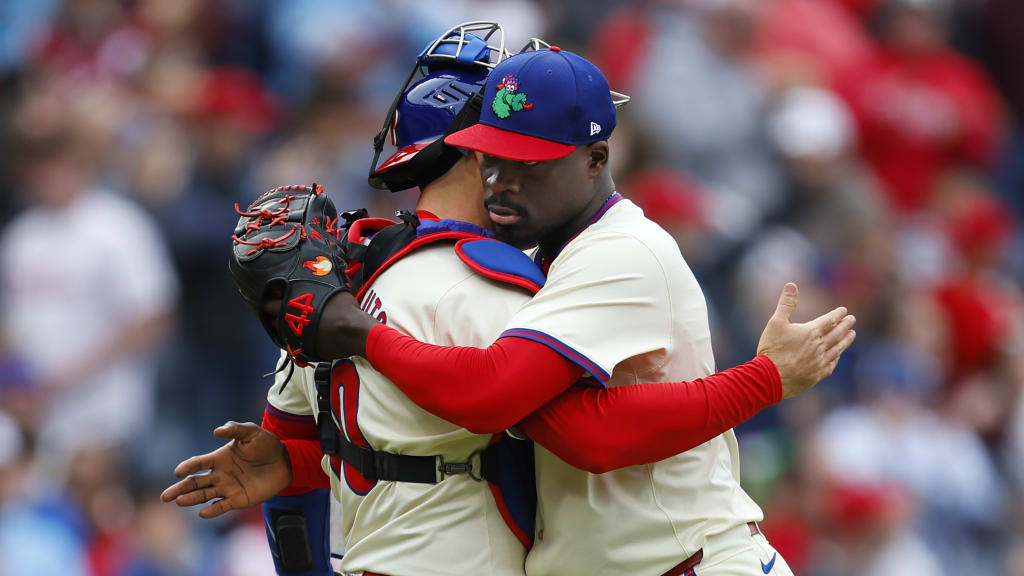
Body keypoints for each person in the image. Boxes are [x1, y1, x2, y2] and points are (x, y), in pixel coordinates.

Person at [164, 43, 855, 576]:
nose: (503, 180)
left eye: (531, 162)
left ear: (596, 159)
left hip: (691, 560)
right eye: (492, 155)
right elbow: (440, 440)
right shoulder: (506, 270)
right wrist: (304, 463)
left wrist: (353, 331)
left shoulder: (616, 252)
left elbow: (564, 426)